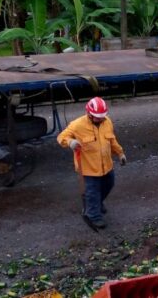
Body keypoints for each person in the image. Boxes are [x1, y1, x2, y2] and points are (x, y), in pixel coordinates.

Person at [57, 97, 126, 229]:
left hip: (106, 165)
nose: (100, 119)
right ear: (88, 113)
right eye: (97, 117)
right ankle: (93, 215)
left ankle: (96, 203)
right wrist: (70, 142)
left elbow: (112, 141)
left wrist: (120, 153)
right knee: (92, 192)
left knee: (109, 184)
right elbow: (61, 137)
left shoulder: (107, 122)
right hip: (88, 168)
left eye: (102, 117)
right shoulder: (77, 125)